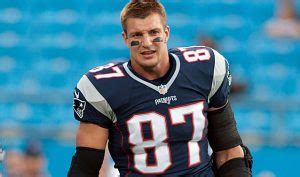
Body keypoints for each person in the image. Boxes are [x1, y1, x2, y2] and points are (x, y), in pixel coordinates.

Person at [68, 0, 253, 176]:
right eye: (137, 35)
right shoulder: (103, 87)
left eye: (153, 32)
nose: (146, 42)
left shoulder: (205, 67)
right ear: (125, 38)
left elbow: (229, 151)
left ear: (166, 33)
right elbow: (85, 168)